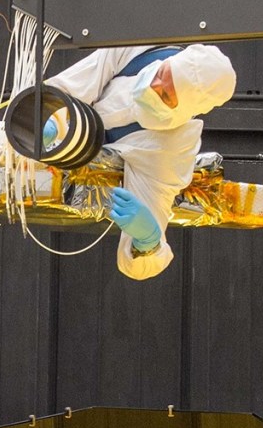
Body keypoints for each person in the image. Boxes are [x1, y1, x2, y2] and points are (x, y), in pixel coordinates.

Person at [37, 43, 237, 280]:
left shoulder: (172, 148)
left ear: (184, 111)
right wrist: (49, 116)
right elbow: (67, 87)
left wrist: (146, 241)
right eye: (163, 74)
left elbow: (144, 265)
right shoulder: (141, 49)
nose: (154, 87)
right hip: (45, 141)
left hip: (66, 171)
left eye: (166, 96)